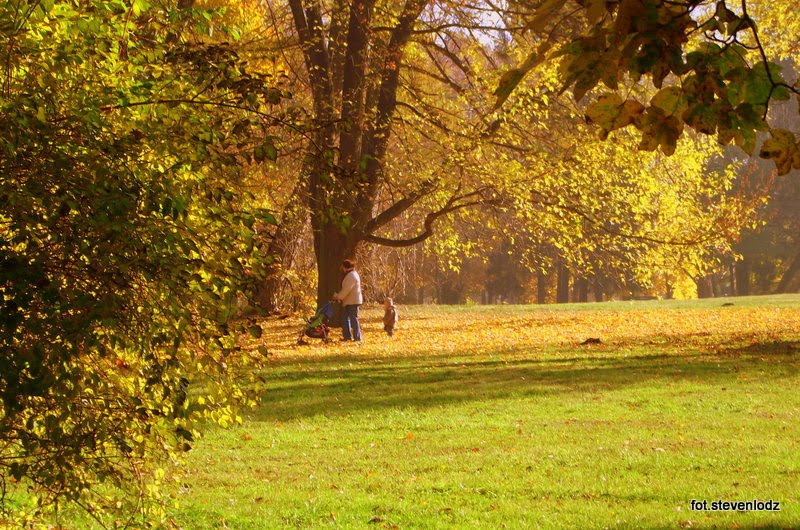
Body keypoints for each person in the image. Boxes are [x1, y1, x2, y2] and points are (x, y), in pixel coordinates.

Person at [332, 258, 363, 341]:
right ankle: (347, 337)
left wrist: (338, 297)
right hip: (350, 301)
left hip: (352, 301)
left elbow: (346, 290)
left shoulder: (351, 276)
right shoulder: (352, 274)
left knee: (353, 319)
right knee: (345, 318)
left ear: (345, 267)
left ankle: (357, 337)